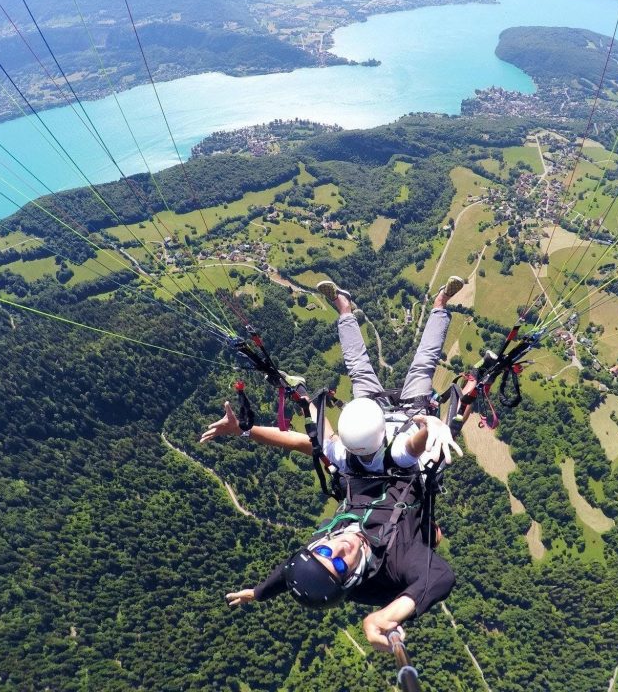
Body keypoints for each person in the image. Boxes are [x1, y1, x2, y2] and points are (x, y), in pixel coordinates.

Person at [200, 277, 469, 649]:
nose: (338, 548)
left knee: (359, 370)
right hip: (412, 428)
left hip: (371, 419)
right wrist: (384, 617)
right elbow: (440, 578)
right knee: (422, 366)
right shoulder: (394, 562)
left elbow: (304, 445)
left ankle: (344, 308)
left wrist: (261, 591)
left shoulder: (344, 463)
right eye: (340, 564)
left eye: (325, 550)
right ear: (350, 578)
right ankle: (439, 302)